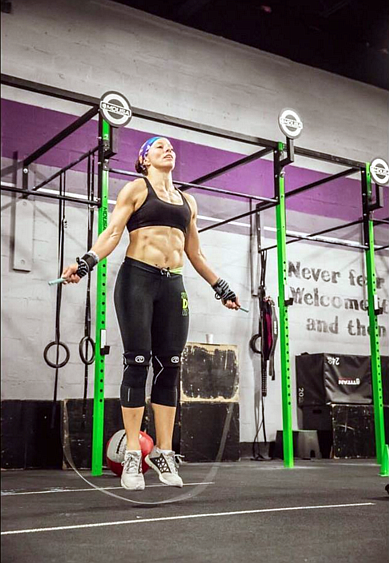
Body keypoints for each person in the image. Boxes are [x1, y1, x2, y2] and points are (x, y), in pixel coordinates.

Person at [62, 136, 241, 491]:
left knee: (170, 366)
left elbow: (196, 253)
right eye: (159, 147)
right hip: (137, 280)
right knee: (138, 362)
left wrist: (221, 287)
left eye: (171, 147)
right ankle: (132, 452)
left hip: (173, 285)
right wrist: (86, 262)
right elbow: (113, 232)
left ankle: (163, 452)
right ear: (144, 159)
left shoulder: (188, 201)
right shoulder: (136, 189)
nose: (168, 150)